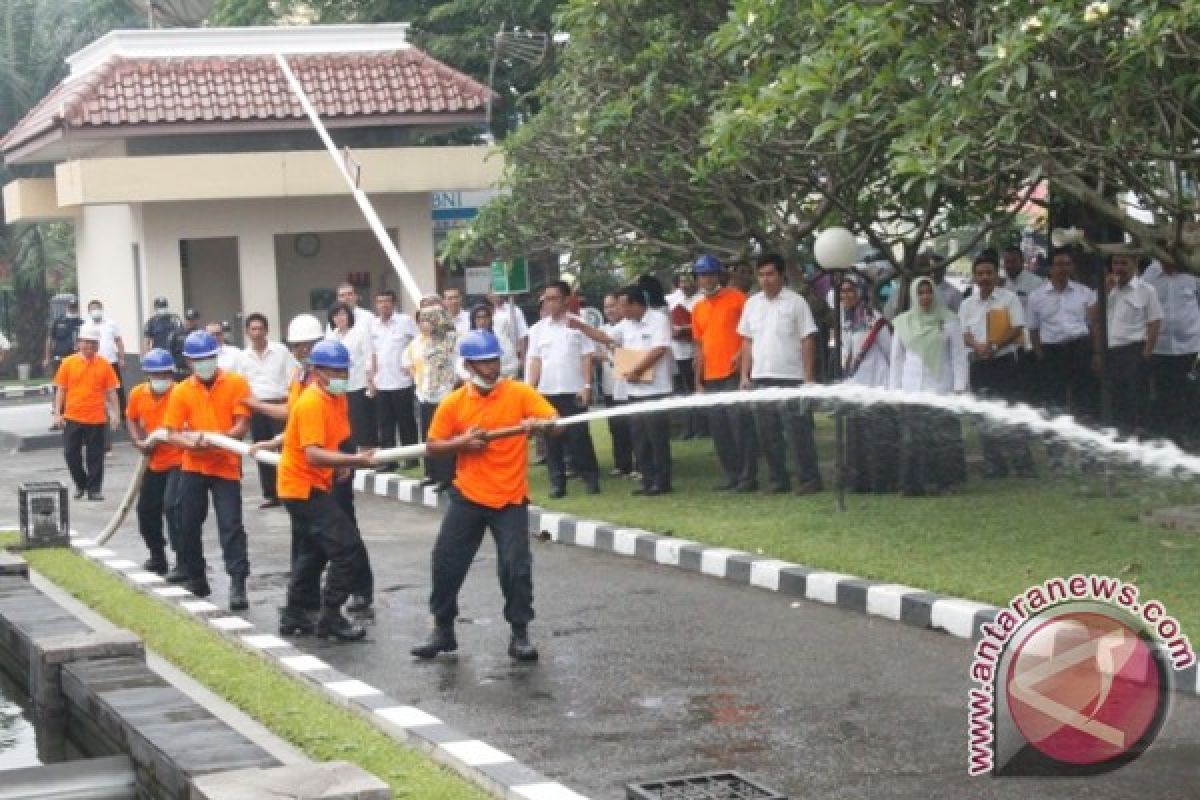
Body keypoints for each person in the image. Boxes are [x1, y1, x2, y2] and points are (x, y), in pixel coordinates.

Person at [409, 329, 557, 662]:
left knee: (515, 566)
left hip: (510, 499)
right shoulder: (455, 402)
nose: (491, 368)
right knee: (445, 561)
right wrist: (461, 444)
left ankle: (519, 633)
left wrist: (544, 425)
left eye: (494, 361)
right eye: (483, 363)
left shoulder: (518, 393)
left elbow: (556, 422)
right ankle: (442, 629)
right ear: (469, 366)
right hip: (468, 496)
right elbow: (433, 446)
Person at [276, 340, 376, 642]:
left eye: (344, 369)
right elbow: (313, 454)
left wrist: (341, 464)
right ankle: (330, 615)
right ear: (318, 372)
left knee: (315, 551)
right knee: (347, 548)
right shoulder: (311, 403)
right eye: (334, 370)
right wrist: (353, 460)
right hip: (301, 487)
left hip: (313, 484)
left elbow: (334, 441)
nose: (340, 375)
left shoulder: (337, 398)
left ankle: (295, 612)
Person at [164, 330, 253, 608]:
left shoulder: (235, 383)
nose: (204, 363)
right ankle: (196, 577)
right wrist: (192, 445)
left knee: (231, 525)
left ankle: (238, 583)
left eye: (209, 358)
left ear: (216, 357)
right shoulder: (181, 391)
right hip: (194, 465)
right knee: (188, 523)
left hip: (225, 465)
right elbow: (171, 432)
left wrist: (222, 438)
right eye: (198, 360)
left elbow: (242, 424)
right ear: (189, 362)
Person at [573, 286, 674, 495]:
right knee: (639, 438)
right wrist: (582, 327)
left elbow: (659, 348)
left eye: (622, 304)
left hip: (656, 390)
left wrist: (637, 369)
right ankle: (647, 480)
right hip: (634, 391)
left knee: (657, 439)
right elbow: (605, 337)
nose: (619, 309)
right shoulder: (626, 325)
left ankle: (662, 481)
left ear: (635, 304)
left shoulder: (658, 319)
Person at [737, 253, 822, 495]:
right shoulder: (751, 304)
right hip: (761, 376)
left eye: (771, 274)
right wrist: (745, 375)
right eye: (761, 275)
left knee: (798, 432)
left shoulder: (796, 302)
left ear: (781, 275)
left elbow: (808, 339)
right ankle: (778, 480)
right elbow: (746, 341)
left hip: (791, 377)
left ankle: (809, 479)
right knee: (767, 434)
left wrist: (808, 378)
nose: (766, 280)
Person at [888, 277, 969, 496]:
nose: (925, 297)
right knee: (912, 437)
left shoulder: (949, 320)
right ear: (914, 295)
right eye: (921, 293)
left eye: (928, 292)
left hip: (941, 386)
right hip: (912, 387)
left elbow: (958, 356)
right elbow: (896, 360)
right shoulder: (903, 322)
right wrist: (895, 391)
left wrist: (960, 387)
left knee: (941, 437)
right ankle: (912, 484)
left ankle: (945, 483)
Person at [959, 251, 1035, 478]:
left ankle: (1023, 464)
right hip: (980, 366)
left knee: (1011, 413)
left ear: (996, 275)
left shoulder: (1008, 299)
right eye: (980, 273)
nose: (984, 277)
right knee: (984, 415)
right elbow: (964, 333)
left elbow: (1017, 328)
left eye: (988, 273)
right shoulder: (966, 305)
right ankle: (995, 464)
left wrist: (993, 347)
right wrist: (978, 346)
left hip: (1004, 364)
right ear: (974, 277)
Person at [527, 280, 601, 498]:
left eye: (554, 298)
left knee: (579, 438)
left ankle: (591, 478)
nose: (550, 303)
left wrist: (587, 385)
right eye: (546, 299)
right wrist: (530, 390)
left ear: (566, 300)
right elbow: (534, 360)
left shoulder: (578, 325)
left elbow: (586, 357)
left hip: (573, 389)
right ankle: (557, 483)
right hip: (548, 392)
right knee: (552, 441)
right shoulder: (538, 330)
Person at [692, 254, 758, 491]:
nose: (706, 280)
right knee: (720, 430)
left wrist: (741, 357)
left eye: (709, 274)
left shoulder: (738, 299)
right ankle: (731, 474)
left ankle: (748, 476)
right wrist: (697, 382)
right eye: (701, 275)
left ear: (718, 275)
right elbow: (699, 346)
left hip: (733, 373)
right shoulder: (697, 308)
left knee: (740, 426)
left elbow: (750, 334)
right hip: (710, 376)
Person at [125, 349, 184, 577]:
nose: (160, 379)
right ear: (147, 374)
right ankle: (157, 555)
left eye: (164, 374)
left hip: (179, 458)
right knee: (146, 509)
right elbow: (130, 418)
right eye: (155, 374)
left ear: (171, 373)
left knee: (172, 507)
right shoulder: (138, 394)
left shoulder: (180, 393)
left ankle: (182, 560)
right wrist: (138, 440)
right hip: (153, 459)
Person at [839, 278, 898, 493]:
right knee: (856, 438)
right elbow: (845, 353)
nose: (846, 295)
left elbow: (890, 353)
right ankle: (858, 481)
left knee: (877, 436)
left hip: (877, 385)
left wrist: (892, 388)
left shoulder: (875, 319)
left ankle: (880, 481)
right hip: (854, 387)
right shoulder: (844, 320)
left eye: (850, 290)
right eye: (842, 291)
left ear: (860, 292)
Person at [1027, 247, 1098, 420]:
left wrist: (1095, 352)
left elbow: (1093, 326)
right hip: (1052, 350)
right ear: (1050, 268)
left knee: (1082, 394)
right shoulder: (1036, 296)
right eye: (1059, 265)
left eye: (1067, 264)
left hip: (1079, 347)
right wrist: (1039, 352)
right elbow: (1033, 329)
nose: (1063, 269)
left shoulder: (1085, 293)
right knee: (1054, 396)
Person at [236, 313, 298, 509]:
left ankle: (289, 490)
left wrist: (290, 401)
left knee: (286, 448)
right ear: (247, 332)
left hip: (280, 404)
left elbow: (292, 375)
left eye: (260, 329)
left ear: (266, 330)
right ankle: (271, 494)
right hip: (256, 407)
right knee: (263, 449)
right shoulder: (242, 357)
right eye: (252, 329)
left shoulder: (281, 351)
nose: (256, 333)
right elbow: (239, 384)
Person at [52, 324, 120, 501]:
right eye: (85, 343)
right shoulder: (68, 363)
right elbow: (61, 390)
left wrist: (116, 414)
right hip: (72, 416)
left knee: (95, 455)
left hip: (96, 417)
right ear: (79, 343)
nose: (89, 347)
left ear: (97, 345)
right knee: (70, 453)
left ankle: (94, 490)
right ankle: (81, 483)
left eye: (93, 344)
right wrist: (57, 414)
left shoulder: (104, 364)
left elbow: (112, 392)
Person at [1143, 258, 1200, 447]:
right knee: (1165, 393)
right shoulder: (1150, 275)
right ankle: (1168, 436)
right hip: (1161, 347)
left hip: (1190, 346)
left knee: (1189, 393)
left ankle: (1189, 434)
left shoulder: (1193, 274)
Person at [402, 302, 459, 490]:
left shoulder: (450, 339)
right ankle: (431, 473)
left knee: (444, 436)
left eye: (428, 320)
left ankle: (446, 476)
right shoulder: (420, 343)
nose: (423, 324)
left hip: (446, 395)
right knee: (428, 435)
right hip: (426, 394)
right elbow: (412, 364)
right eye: (422, 320)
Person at [1104, 253, 1162, 435]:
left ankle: (1139, 432)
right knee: (1116, 395)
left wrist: (1147, 352)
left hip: (1134, 349)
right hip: (1111, 350)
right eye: (1115, 263)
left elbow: (1155, 322)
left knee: (1136, 395)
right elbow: (1093, 317)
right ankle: (1121, 432)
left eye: (1124, 263)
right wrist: (1105, 292)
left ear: (1134, 264)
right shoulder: (1108, 289)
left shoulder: (1146, 290)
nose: (1119, 267)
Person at [370, 290, 420, 470]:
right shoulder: (373, 325)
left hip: (402, 381)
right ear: (376, 305)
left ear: (394, 303)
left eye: (387, 301)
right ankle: (389, 461)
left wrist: (413, 368)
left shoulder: (404, 322)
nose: (384, 305)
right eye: (380, 301)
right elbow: (373, 353)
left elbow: (417, 343)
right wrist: (371, 378)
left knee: (406, 422)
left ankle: (412, 458)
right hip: (382, 381)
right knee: (385, 424)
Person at [327, 302, 378, 448]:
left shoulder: (359, 332)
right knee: (344, 422)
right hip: (338, 387)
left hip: (359, 383)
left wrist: (371, 380)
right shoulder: (332, 336)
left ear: (349, 315)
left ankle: (367, 454)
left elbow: (369, 356)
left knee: (362, 422)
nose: (340, 318)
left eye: (343, 314)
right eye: (336, 315)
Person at [666, 266, 704, 439]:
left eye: (688, 281)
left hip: (696, 350)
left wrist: (684, 328)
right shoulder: (673, 298)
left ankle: (700, 427)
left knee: (696, 388)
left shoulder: (702, 298)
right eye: (682, 281)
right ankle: (687, 426)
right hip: (677, 351)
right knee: (682, 392)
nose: (685, 285)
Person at [598, 292, 634, 477]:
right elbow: (597, 353)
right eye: (606, 307)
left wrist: (608, 355)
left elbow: (621, 353)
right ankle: (621, 463)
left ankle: (636, 463)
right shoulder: (603, 328)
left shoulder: (627, 327)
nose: (610, 310)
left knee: (630, 425)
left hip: (627, 384)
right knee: (615, 426)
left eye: (613, 306)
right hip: (609, 383)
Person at [86, 300, 126, 444]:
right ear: (89, 311)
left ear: (102, 309)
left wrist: (122, 357)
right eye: (92, 309)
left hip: (111, 362)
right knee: (98, 393)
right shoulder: (86, 326)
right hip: (94, 365)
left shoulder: (111, 323)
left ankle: (121, 417)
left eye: (97, 308)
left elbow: (118, 340)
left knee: (116, 390)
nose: (95, 311)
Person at [45, 297, 84, 430]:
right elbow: (50, 340)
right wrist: (47, 357)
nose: (73, 309)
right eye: (71, 307)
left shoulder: (82, 323)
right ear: (67, 307)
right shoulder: (58, 322)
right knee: (59, 388)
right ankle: (58, 418)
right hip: (60, 359)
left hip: (77, 360)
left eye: (75, 308)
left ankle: (75, 418)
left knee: (76, 388)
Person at [470, 302, 519, 377]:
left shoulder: (501, 339)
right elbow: (460, 365)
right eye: (478, 318)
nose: (482, 321)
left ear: (490, 319)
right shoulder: (467, 341)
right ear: (473, 320)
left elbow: (513, 364)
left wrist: (493, 373)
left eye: (485, 317)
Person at [169, 308, 202, 376]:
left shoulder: (201, 334)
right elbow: (170, 351)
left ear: (197, 320)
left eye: (193, 319)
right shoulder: (176, 334)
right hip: (179, 372)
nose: (190, 322)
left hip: (195, 372)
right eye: (188, 319)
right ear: (185, 319)